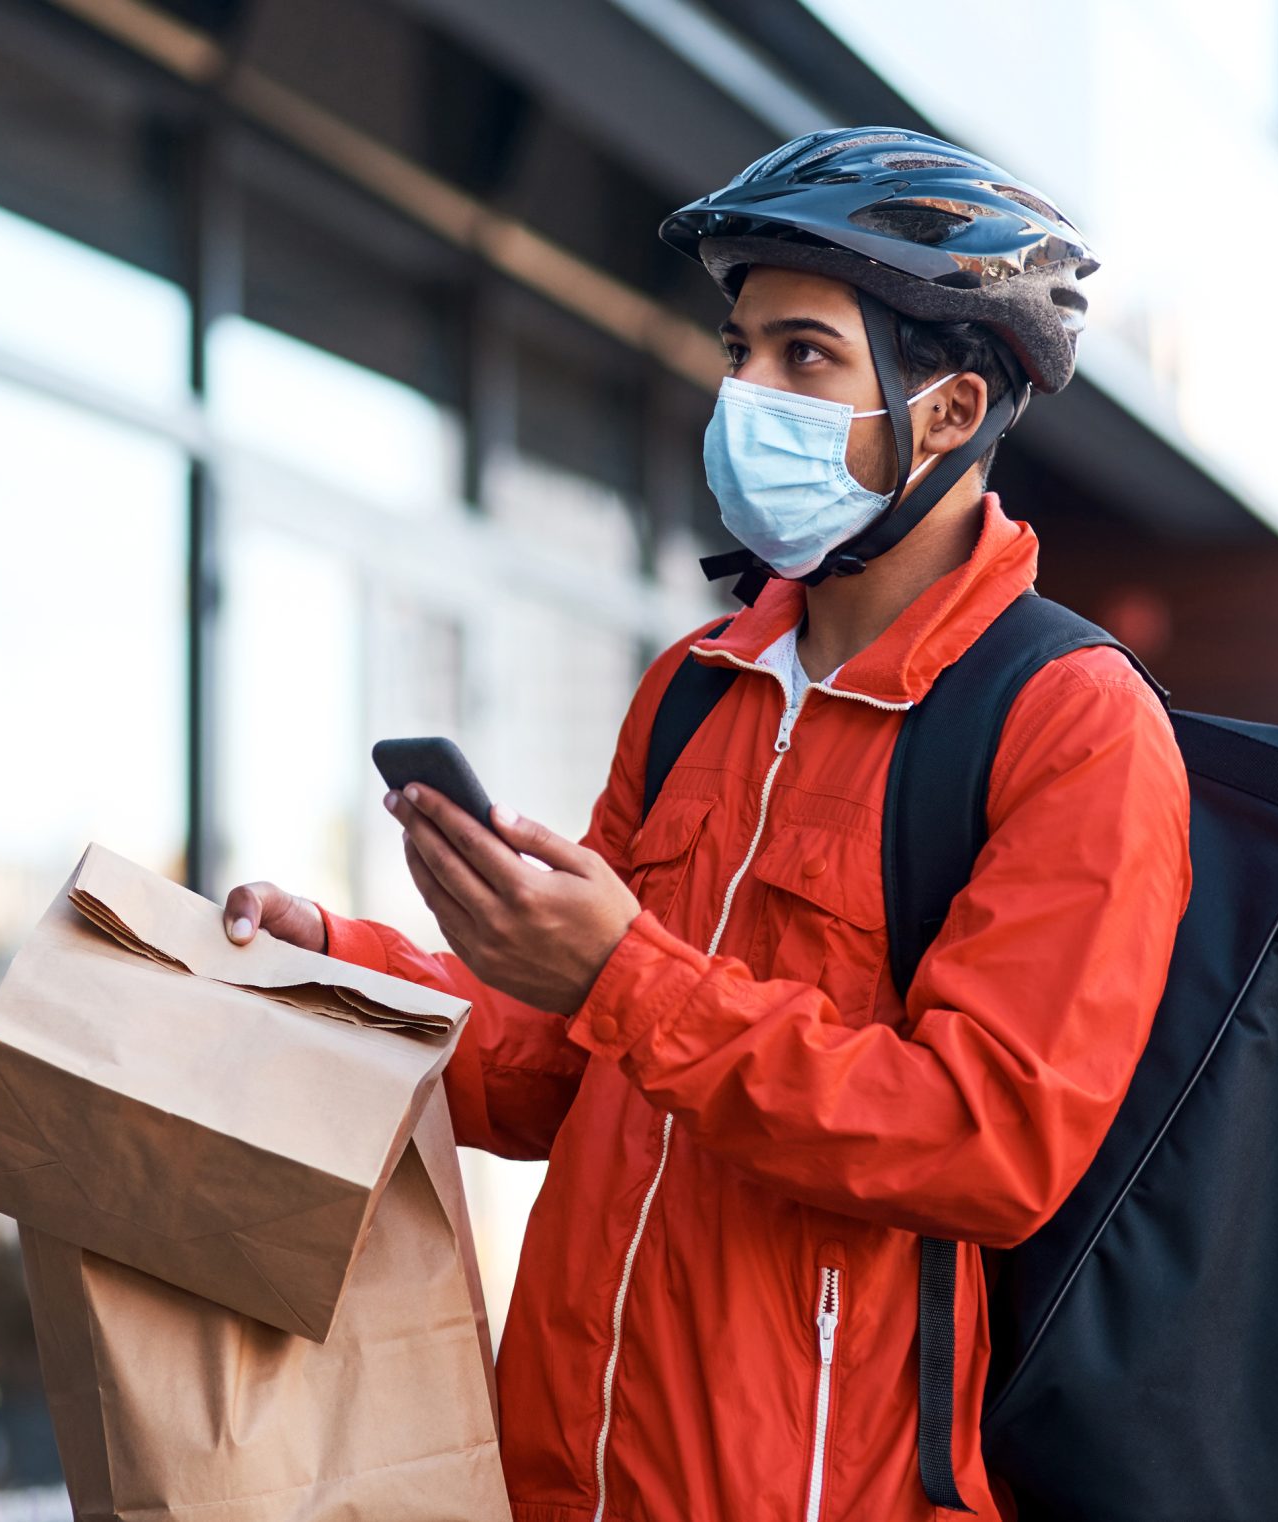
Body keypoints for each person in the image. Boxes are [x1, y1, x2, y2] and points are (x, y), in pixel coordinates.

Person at [221, 128, 1192, 1521]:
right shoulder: (693, 685)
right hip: (559, 1484)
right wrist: (334, 970)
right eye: (740, 349)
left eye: (805, 356)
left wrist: (621, 973)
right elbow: (557, 1069)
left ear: (951, 410)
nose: (747, 393)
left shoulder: (1071, 721)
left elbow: (986, 1139)